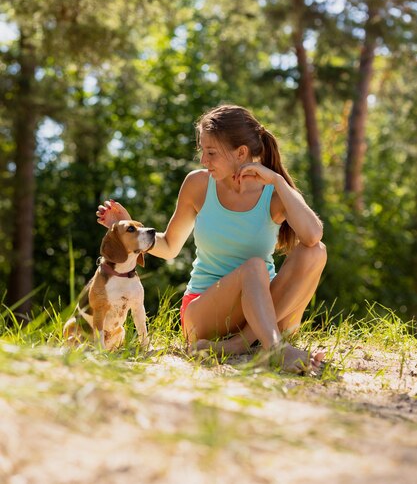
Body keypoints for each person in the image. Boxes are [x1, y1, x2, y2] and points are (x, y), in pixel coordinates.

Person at [97, 105, 327, 373]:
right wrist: (130, 232)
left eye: (211, 153)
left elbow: (313, 235)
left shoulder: (273, 193)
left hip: (263, 313)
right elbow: (170, 246)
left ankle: (242, 344)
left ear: (241, 153)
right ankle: (273, 348)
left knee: (315, 251)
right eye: (202, 151)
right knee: (254, 267)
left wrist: (277, 180)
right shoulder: (198, 185)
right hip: (205, 313)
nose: (203, 161)